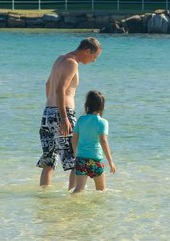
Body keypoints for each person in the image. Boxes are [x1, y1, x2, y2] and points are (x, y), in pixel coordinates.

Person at [37, 37, 102, 190]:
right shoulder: (71, 63)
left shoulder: (60, 58)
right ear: (87, 51)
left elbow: (48, 85)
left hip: (48, 113)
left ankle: (44, 197)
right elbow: (61, 90)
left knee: (49, 160)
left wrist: (52, 109)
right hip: (62, 113)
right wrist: (64, 117)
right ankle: (73, 198)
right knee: (74, 159)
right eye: (94, 57)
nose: (94, 61)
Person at [70, 90, 117, 193]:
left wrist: (75, 154)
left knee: (79, 188)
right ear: (102, 106)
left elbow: (74, 138)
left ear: (87, 104)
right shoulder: (103, 122)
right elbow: (103, 141)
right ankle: (99, 209)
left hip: (81, 158)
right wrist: (110, 161)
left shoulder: (81, 119)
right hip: (95, 159)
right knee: (101, 190)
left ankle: (71, 207)